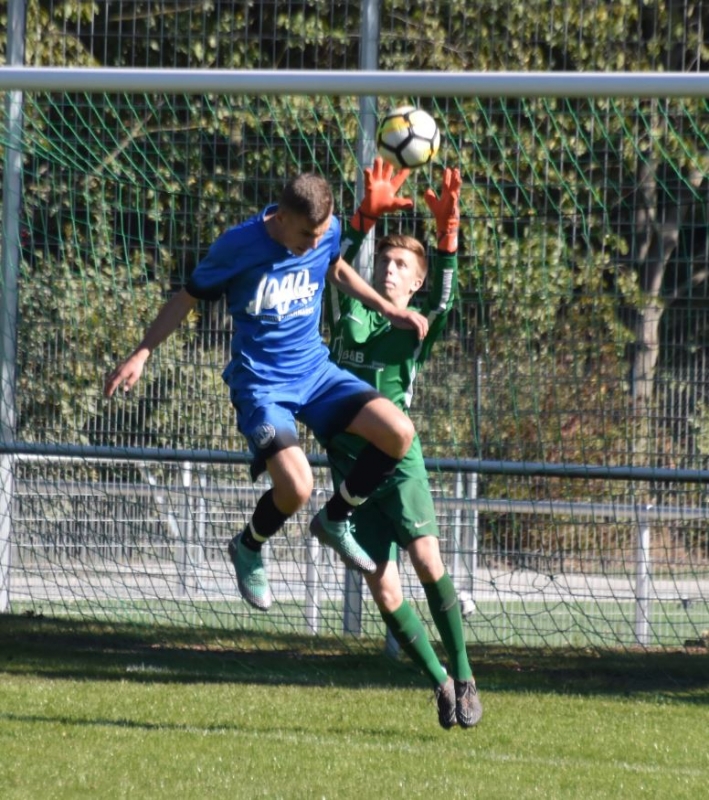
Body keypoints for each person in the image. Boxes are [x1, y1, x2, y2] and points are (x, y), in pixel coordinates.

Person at [104, 171, 429, 612]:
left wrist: (389, 309)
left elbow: (335, 267)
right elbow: (186, 298)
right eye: (306, 235)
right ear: (281, 217)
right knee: (297, 486)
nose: (315, 243)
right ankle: (249, 545)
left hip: (315, 372)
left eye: (322, 233)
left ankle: (335, 519)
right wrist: (142, 352)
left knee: (398, 432)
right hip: (262, 386)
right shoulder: (238, 246)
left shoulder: (325, 231)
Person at [323, 157, 482, 729]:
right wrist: (363, 218)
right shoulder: (349, 312)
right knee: (385, 589)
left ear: (415, 282)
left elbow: (444, 296)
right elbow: (330, 264)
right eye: (385, 262)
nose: (389, 271)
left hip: (399, 463)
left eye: (400, 267)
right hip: (350, 464)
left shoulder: (417, 325)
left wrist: (447, 236)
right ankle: (439, 683)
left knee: (426, 559)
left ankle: (464, 674)